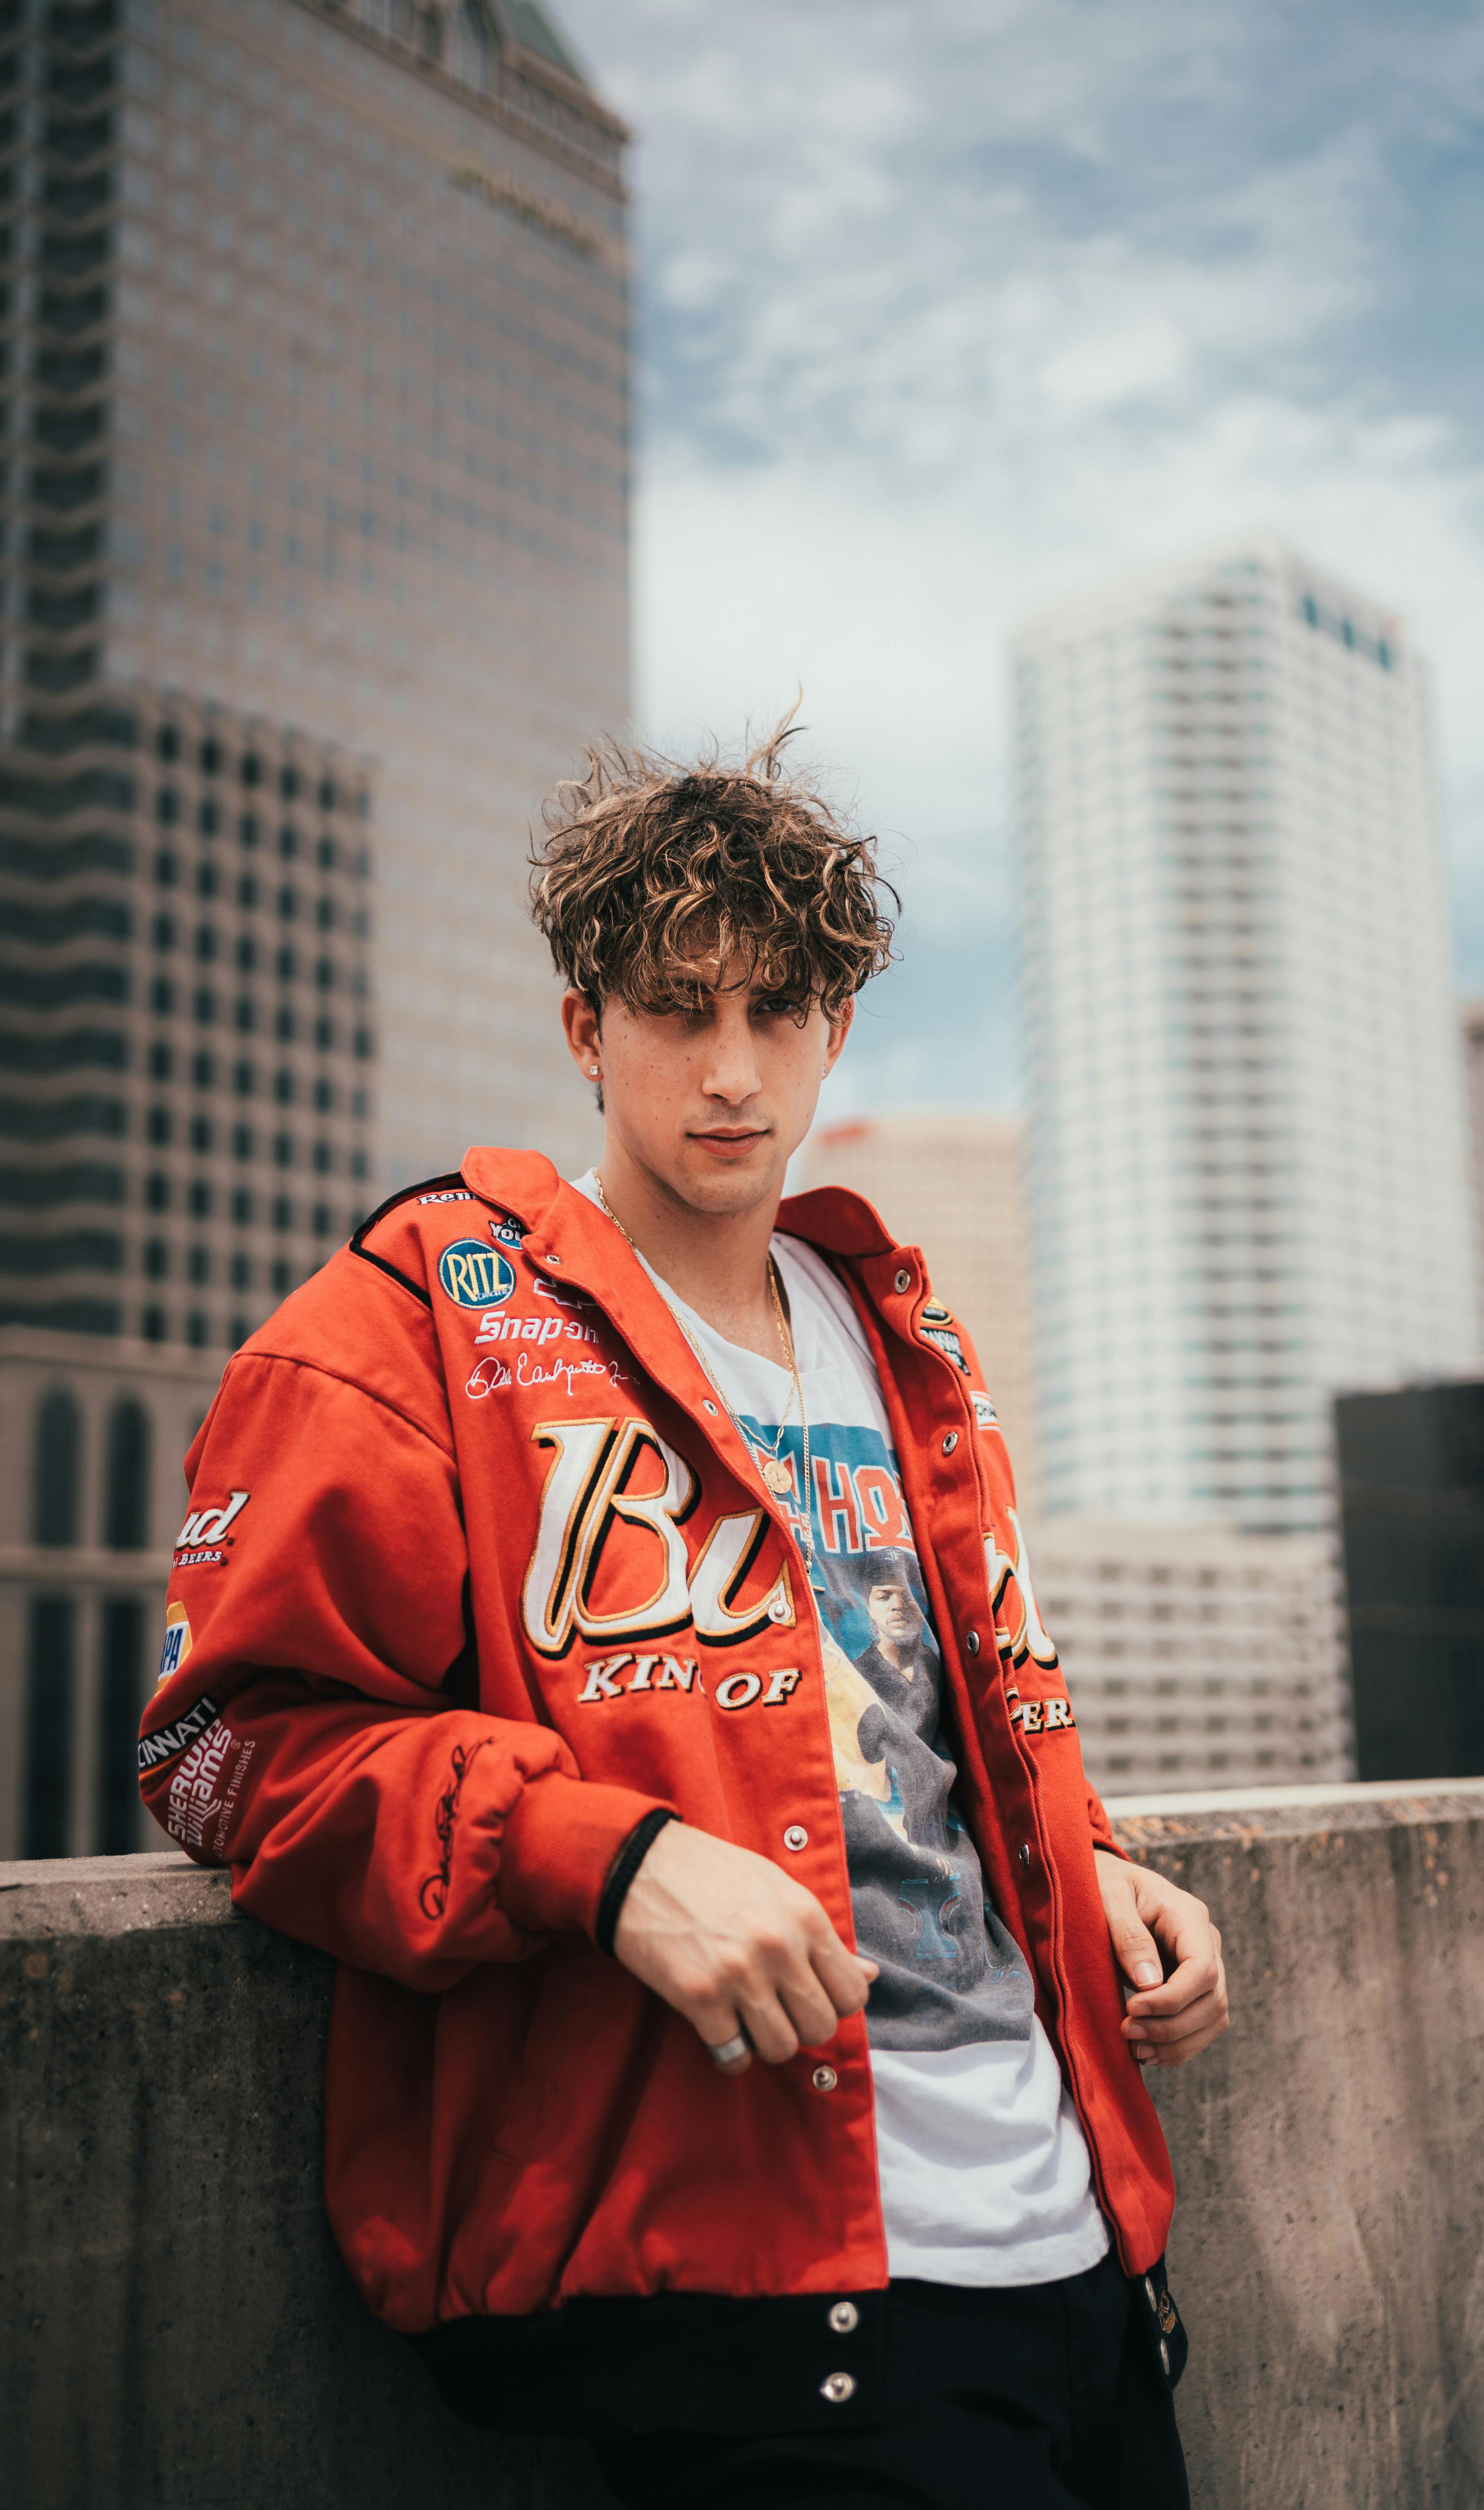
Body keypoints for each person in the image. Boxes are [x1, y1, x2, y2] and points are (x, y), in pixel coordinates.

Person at [137, 728, 1229, 2510]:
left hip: (1080, 2256)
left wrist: (1080, 1854)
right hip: (764, 2308)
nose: (731, 1072)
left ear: (837, 1029)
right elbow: (224, 1748)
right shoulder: (413, 1318)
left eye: (778, 1012)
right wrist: (606, 1860)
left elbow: (931, 1723)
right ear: (584, 1026)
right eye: (674, 1008)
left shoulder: (904, 1342)